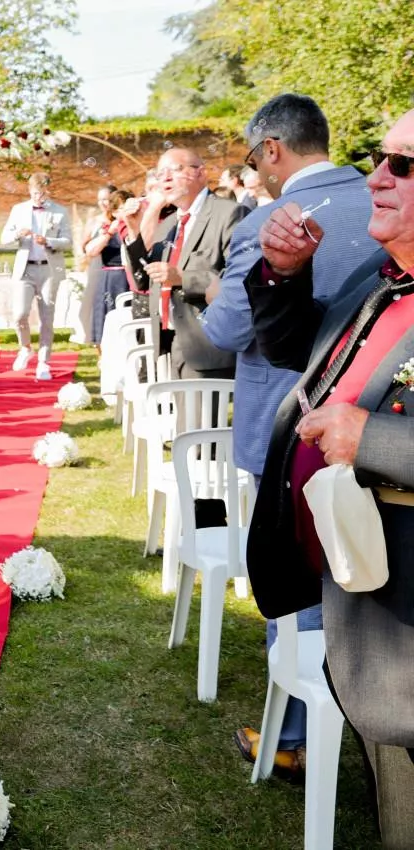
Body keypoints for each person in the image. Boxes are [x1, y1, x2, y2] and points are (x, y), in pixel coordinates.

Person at [244, 107, 414, 845]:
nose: (377, 178)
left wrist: (372, 439)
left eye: (404, 165)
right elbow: (297, 351)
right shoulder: (381, 277)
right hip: (362, 600)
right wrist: (283, 275)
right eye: (380, 158)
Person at [201, 93, 380, 780]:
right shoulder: (378, 202)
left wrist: (211, 293)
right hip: (377, 422)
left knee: (296, 582)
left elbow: (226, 332)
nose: (256, 172)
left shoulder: (270, 221)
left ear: (272, 149)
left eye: (254, 158)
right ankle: (358, 715)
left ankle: (299, 735)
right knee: (361, 577)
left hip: (290, 427)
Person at [124, 147, 246, 379]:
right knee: (180, 405)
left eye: (175, 170)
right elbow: (143, 279)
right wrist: (133, 229)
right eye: (160, 174)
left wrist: (182, 278)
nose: (166, 178)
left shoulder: (230, 213)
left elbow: (240, 279)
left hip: (208, 344)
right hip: (170, 341)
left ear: (201, 173)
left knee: (204, 406)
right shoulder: (170, 223)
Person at [0, 173, 72, 381]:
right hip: (25, 269)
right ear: (29, 190)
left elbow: (68, 241)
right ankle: (25, 347)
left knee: (47, 317)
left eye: (42, 193)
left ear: (48, 190)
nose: (38, 197)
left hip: (49, 269)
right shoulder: (19, 210)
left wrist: (48, 241)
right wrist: (17, 234)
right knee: (19, 314)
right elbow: (3, 238)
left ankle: (43, 361)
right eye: (35, 192)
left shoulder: (60, 211)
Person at [82, 188, 133, 349]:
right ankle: (105, 355)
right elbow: (90, 251)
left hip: (130, 279)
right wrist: (109, 232)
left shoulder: (137, 226)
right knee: (107, 319)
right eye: (119, 209)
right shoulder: (109, 229)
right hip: (110, 278)